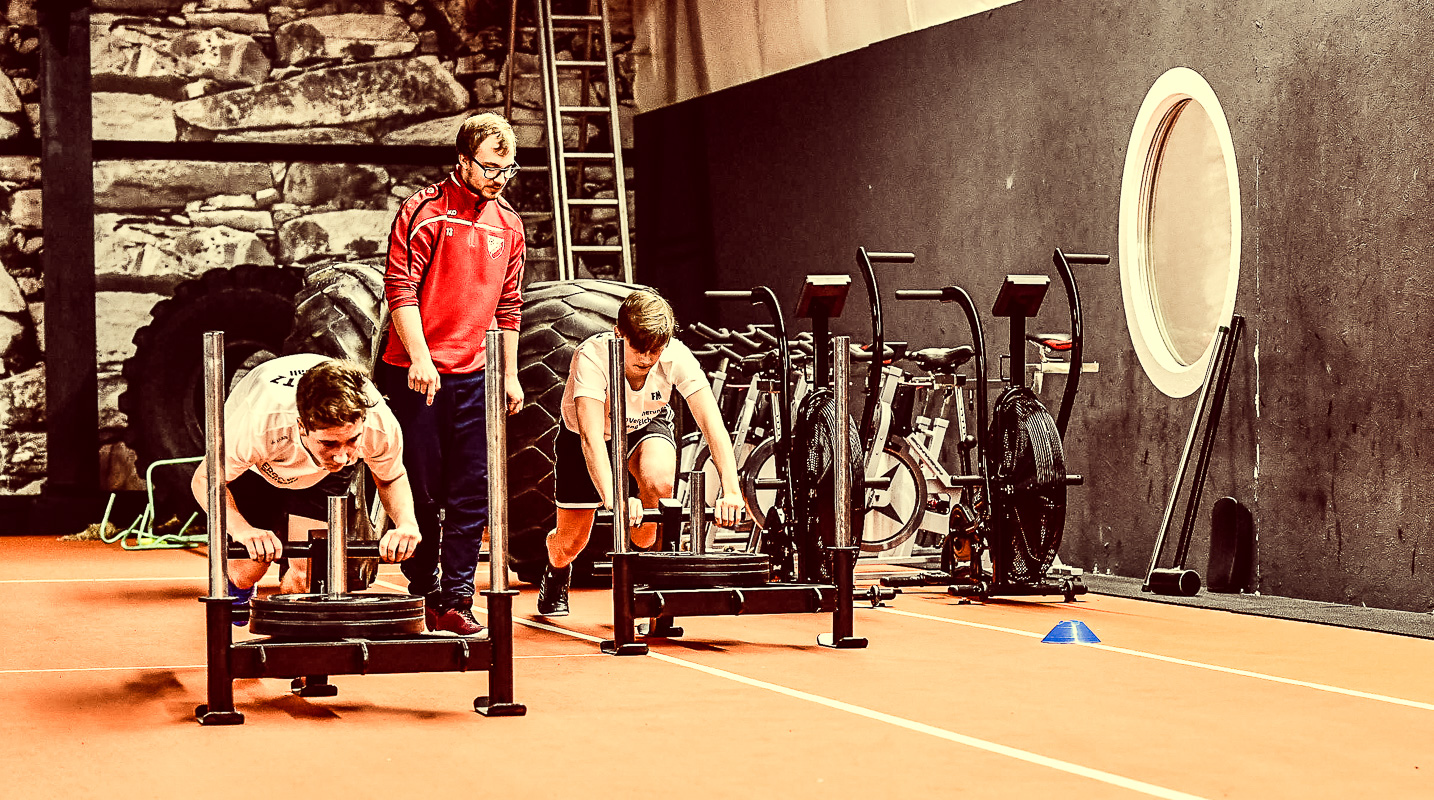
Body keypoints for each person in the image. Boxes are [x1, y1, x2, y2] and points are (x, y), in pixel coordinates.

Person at [375, 112, 526, 636]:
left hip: (475, 378)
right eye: (489, 168)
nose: (498, 179)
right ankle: (422, 589)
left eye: (507, 170)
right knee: (423, 486)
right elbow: (401, 290)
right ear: (462, 160)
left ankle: (457, 596)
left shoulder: (509, 225)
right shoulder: (422, 213)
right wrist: (419, 357)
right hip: (416, 374)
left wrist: (507, 374)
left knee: (471, 490)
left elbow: (509, 307)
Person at [536, 289, 745, 616]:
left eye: (655, 350)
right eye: (639, 348)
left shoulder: (676, 355)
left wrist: (732, 490)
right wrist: (615, 499)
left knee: (658, 492)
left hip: (645, 424)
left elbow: (713, 427)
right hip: (591, 435)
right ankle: (557, 568)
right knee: (571, 542)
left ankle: (646, 578)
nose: (647, 358)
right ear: (619, 334)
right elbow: (591, 439)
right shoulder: (592, 356)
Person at [190, 354, 422, 625]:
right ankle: (241, 585)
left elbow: (390, 477)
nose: (343, 456)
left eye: (351, 440)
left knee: (306, 574)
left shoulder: (378, 423)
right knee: (248, 569)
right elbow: (204, 481)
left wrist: (406, 524)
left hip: (321, 478)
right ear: (301, 425)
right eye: (329, 444)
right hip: (256, 470)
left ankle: (293, 660)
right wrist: (244, 531)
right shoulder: (259, 423)